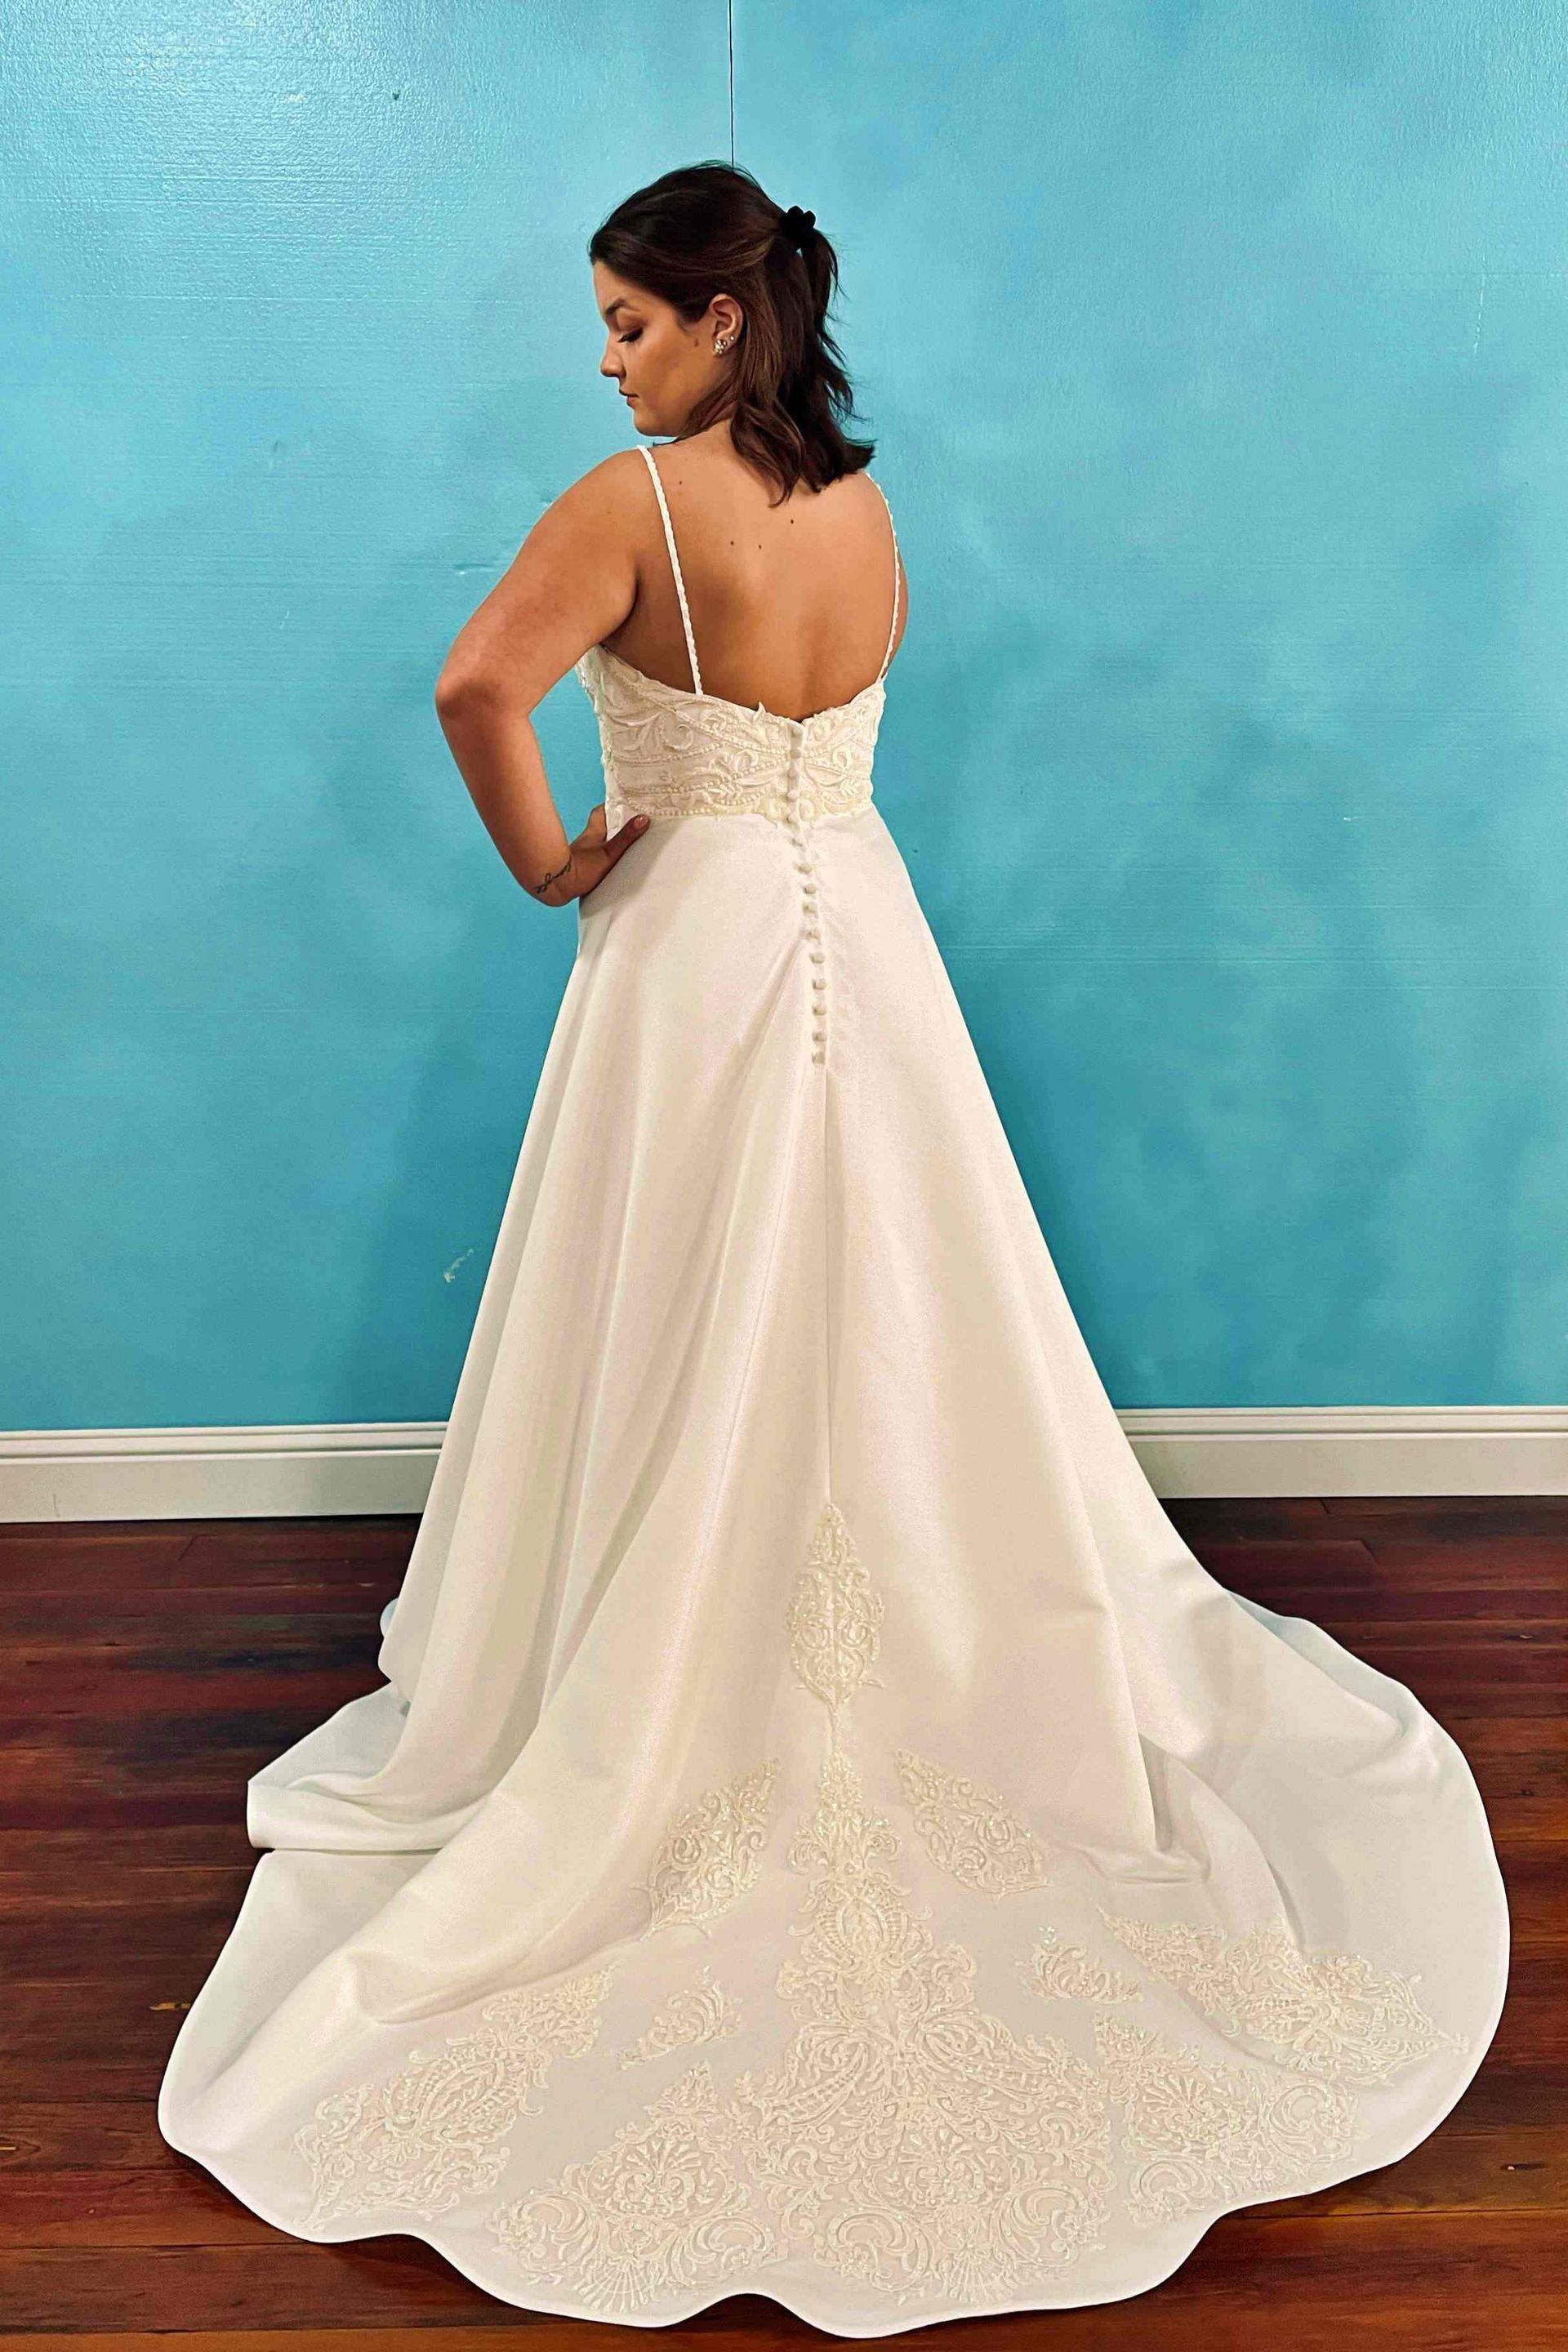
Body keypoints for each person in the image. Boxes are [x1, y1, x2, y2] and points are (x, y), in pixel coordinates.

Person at [158, 163, 1509, 2336]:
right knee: (901, 1318)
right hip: (863, 947)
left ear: (714, 324)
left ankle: (644, 1672)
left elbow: (467, 690)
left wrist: (546, 865)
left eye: (623, 319)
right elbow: (838, 750)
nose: (600, 358)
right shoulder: (864, 510)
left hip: (691, 950)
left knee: (673, 1311)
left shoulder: (635, 504)